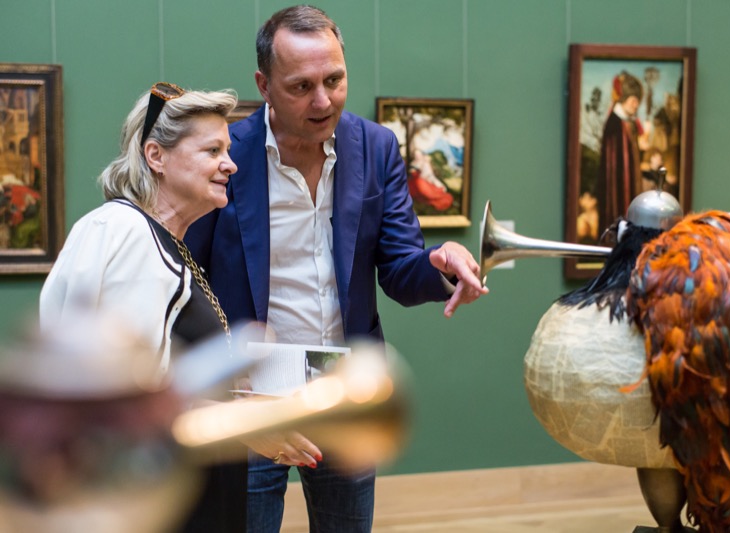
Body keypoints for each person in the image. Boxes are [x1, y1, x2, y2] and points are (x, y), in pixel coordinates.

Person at [184, 5, 488, 532]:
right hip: (252, 394)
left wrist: (439, 263)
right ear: (264, 85)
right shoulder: (228, 154)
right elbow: (192, 276)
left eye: (334, 80)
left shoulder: (376, 147)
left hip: (344, 387)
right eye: (302, 86)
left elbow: (400, 268)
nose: (323, 101)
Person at [38, 82, 246, 532]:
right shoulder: (128, 232)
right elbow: (130, 405)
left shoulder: (165, 242)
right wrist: (253, 424)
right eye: (212, 150)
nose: (229, 163)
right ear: (156, 156)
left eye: (227, 150)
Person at [595, 70, 645, 233]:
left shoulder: (630, 123)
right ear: (624, 99)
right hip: (618, 189)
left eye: (638, 101)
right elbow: (612, 166)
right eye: (633, 100)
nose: (636, 105)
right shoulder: (614, 124)